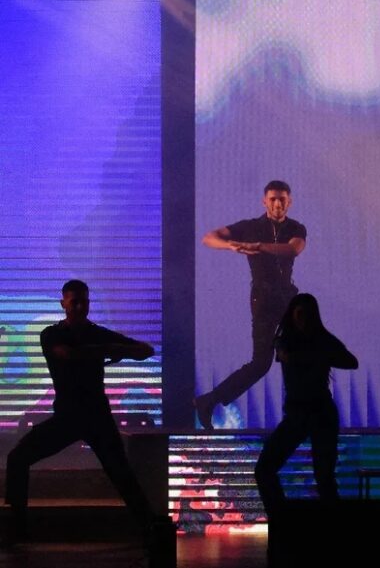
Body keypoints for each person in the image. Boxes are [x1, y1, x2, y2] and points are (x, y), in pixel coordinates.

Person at [4, 280, 164, 544]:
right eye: (74, 302)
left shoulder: (96, 333)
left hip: (96, 418)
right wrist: (111, 350)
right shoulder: (52, 334)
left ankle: (150, 530)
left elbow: (146, 350)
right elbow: (66, 354)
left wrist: (115, 349)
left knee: (122, 474)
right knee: (17, 459)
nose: (79, 307)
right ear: (63, 304)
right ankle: (17, 528)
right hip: (68, 418)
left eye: (84, 302)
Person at [195, 180, 307, 429]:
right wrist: (230, 245)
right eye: (273, 199)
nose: (277, 204)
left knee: (302, 355)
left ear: (289, 202)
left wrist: (258, 247)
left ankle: (303, 413)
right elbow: (209, 238)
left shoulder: (296, 227)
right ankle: (209, 400)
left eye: (282, 200)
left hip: (288, 300)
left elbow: (293, 249)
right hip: (263, 300)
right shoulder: (250, 227)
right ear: (264, 202)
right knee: (261, 364)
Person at [255, 293, 358, 522]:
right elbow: (283, 352)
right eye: (301, 314)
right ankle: (283, 523)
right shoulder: (288, 341)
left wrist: (318, 354)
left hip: (318, 414)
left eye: (307, 315)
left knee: (323, 478)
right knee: (267, 469)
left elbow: (351, 362)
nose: (303, 320)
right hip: (302, 414)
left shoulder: (318, 341)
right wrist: (318, 355)